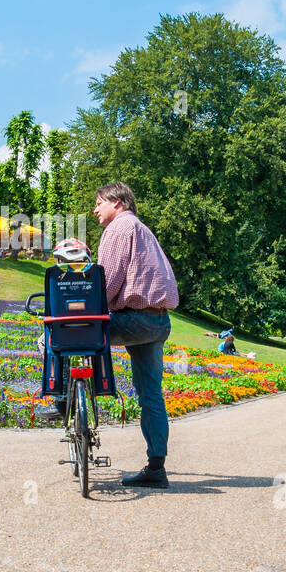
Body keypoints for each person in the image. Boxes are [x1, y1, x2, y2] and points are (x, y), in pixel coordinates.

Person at [94, 182, 179, 488]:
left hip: (135, 320)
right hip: (158, 322)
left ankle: (66, 398)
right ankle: (156, 467)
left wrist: (82, 311)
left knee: (61, 335)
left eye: (99, 203)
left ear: (116, 202)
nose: (95, 209)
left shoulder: (119, 228)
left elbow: (108, 281)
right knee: (151, 395)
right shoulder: (143, 230)